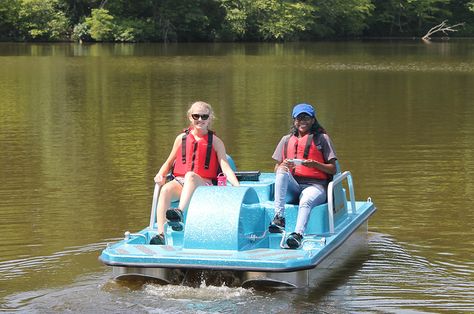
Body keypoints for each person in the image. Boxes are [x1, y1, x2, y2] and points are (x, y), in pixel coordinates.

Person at [150, 101, 240, 245]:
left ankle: (178, 212)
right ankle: (161, 235)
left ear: (210, 118)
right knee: (166, 189)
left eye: (204, 116)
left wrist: (237, 187)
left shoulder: (216, 142)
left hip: (203, 185)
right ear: (190, 117)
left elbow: (226, 168)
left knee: (190, 176)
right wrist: (160, 175)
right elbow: (168, 163)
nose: (200, 120)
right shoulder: (181, 139)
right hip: (181, 183)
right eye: (196, 116)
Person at [269, 103, 337, 249]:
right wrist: (284, 166)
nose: (302, 121)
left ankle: (298, 235)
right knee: (281, 171)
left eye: (306, 118)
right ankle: (279, 217)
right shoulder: (286, 140)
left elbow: (333, 169)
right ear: (294, 121)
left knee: (305, 200)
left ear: (313, 120)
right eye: (299, 118)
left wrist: (315, 165)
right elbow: (276, 169)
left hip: (315, 186)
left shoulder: (322, 139)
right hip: (294, 186)